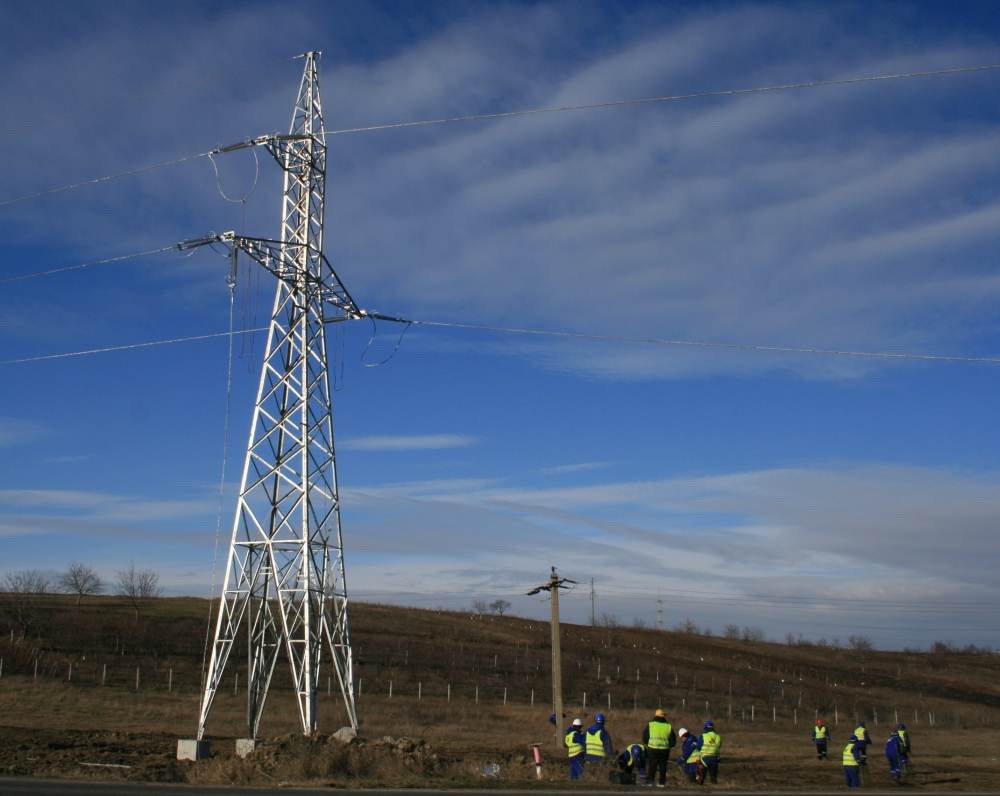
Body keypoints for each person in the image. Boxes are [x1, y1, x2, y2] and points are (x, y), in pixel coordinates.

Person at [643, 708, 677, 788]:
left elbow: (645, 737)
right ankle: (662, 783)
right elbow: (673, 740)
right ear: (663, 716)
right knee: (663, 766)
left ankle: (650, 782)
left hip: (652, 748)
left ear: (655, 716)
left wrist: (649, 743)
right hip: (664, 750)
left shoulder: (651, 724)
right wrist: (668, 745)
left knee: (652, 766)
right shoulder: (668, 726)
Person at [698, 720, 723, 784]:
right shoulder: (718, 736)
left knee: (701, 777)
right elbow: (718, 746)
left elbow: (698, 747)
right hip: (714, 758)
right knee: (713, 777)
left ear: (705, 727)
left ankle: (699, 789)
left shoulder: (702, 736)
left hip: (704, 759)